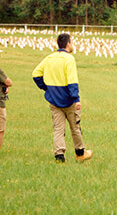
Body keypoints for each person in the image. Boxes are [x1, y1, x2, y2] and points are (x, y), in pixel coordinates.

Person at [32, 33, 93, 163]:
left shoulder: (49, 58)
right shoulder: (69, 59)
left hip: (54, 100)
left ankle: (59, 156)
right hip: (69, 101)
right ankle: (80, 153)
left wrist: (46, 88)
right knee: (75, 127)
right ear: (68, 44)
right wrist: (76, 99)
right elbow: (72, 81)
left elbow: (36, 74)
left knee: (58, 129)